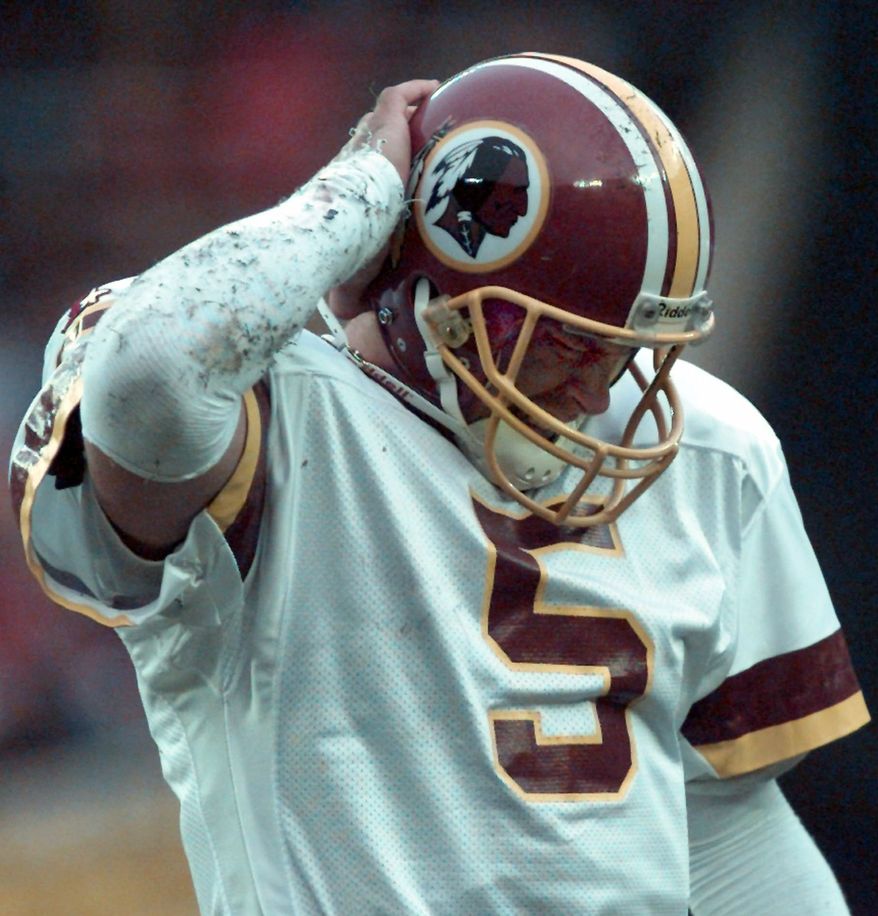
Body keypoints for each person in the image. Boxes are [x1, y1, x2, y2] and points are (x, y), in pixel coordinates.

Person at [9, 53, 869, 914]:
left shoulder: (709, 449)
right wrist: (357, 198)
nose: (602, 393)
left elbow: (725, 824)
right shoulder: (270, 416)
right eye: (568, 347)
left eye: (622, 352)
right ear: (434, 285)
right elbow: (155, 366)